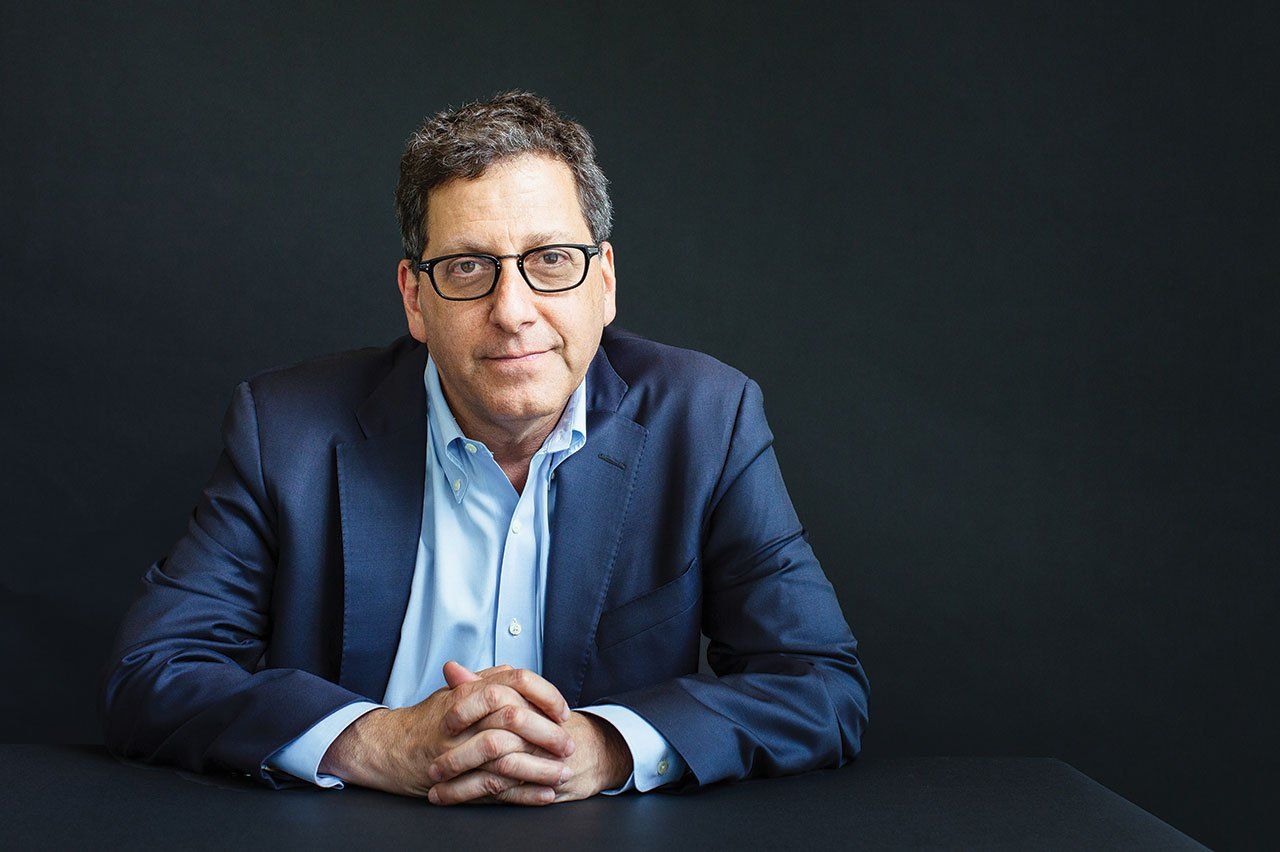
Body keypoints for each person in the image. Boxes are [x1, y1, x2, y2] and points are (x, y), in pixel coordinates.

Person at [98, 90, 870, 806]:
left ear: (604, 283)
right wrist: (371, 741)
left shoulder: (707, 417)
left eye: (550, 262)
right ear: (415, 298)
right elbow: (152, 675)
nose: (513, 312)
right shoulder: (287, 428)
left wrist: (608, 748)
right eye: (468, 267)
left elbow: (819, 685)